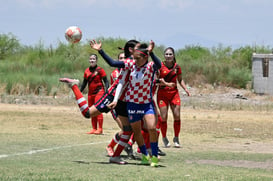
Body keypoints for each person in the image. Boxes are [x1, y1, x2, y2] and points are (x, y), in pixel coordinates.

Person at [90, 39, 162, 167]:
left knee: (152, 128)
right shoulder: (130, 63)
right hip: (132, 104)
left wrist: (152, 53)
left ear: (144, 57)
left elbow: (159, 65)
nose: (134, 58)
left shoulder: (150, 66)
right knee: (137, 131)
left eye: (137, 56)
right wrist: (100, 50)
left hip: (146, 104)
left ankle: (154, 156)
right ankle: (145, 155)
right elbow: (112, 63)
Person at [157, 47, 191, 148]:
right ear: (164, 56)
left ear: (173, 55)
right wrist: (164, 84)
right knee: (163, 118)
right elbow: (156, 80)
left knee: (177, 115)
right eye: (166, 54)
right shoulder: (160, 66)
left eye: (170, 54)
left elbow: (180, 80)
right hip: (162, 94)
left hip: (174, 94)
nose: (168, 56)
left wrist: (185, 89)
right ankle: (164, 138)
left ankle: (176, 138)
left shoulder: (177, 67)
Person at [80, 54, 109, 135]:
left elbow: (106, 81)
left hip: (99, 92)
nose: (92, 60)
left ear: (96, 60)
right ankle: (94, 128)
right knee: (91, 111)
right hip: (90, 93)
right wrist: (79, 92)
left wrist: (107, 91)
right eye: (90, 59)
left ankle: (100, 129)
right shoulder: (86, 71)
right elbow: (84, 83)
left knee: (98, 110)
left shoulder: (100, 70)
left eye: (93, 59)